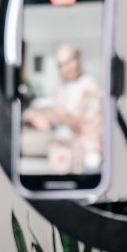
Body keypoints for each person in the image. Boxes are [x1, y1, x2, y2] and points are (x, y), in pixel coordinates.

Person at [24, 44, 103, 173]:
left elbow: (78, 123)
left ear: (78, 59)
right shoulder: (62, 89)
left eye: (68, 62)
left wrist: (56, 114)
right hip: (64, 153)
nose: (66, 68)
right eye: (61, 65)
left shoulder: (91, 86)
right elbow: (59, 116)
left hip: (86, 154)